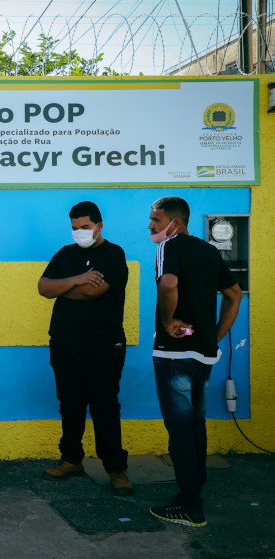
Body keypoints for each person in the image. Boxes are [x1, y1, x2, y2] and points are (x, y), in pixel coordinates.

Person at [147, 196, 242, 527]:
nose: (151, 226)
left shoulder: (169, 247)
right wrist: (213, 335)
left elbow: (168, 284)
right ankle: (195, 488)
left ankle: (189, 504)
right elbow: (234, 294)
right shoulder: (209, 251)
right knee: (195, 425)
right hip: (203, 354)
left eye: (156, 220)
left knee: (180, 430)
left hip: (175, 355)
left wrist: (168, 320)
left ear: (176, 222)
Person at [36, 201, 133, 495]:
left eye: (85, 227)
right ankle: (70, 460)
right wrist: (77, 279)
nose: (79, 232)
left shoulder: (113, 254)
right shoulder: (65, 254)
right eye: (75, 228)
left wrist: (62, 288)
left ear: (99, 226)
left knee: (104, 405)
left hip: (103, 344)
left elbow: (94, 291)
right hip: (65, 344)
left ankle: (116, 470)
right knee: (70, 404)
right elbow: (43, 288)